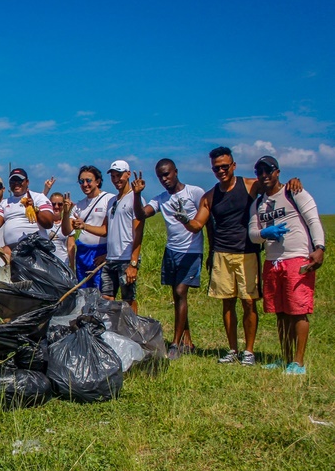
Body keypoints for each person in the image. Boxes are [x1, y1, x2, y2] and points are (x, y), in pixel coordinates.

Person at [181, 146, 301, 365]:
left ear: (233, 165)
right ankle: (232, 349)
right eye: (217, 168)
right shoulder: (210, 196)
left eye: (225, 166)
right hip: (222, 254)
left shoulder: (249, 186)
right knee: (227, 303)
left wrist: (293, 181)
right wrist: (184, 220)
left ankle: (249, 351)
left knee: (248, 302)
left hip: (248, 252)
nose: (221, 171)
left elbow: (272, 185)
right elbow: (197, 224)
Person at [248, 156, 324, 375]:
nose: (264, 176)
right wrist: (265, 233)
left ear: (277, 172)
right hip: (273, 261)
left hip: (297, 258)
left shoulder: (294, 193)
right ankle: (286, 358)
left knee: (298, 310)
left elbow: (313, 221)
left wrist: (319, 248)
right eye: (260, 172)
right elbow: (253, 234)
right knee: (280, 312)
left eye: (268, 171)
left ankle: (298, 362)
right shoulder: (258, 203)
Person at [132, 159, 205, 358]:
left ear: (176, 172)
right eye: (160, 176)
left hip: (191, 250)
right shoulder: (160, 199)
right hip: (171, 250)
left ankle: (174, 344)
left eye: (167, 174)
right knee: (177, 295)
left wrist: (212, 251)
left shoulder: (194, 192)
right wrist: (137, 195)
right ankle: (186, 340)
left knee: (181, 292)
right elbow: (141, 214)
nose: (164, 179)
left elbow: (207, 219)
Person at [76, 161, 144, 311]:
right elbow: (106, 229)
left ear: (128, 174)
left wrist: (133, 263)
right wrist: (84, 226)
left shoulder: (135, 198)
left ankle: (132, 329)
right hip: (111, 259)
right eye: (113, 176)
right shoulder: (113, 200)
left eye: (119, 175)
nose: (116, 180)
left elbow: (139, 231)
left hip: (126, 258)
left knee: (128, 299)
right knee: (106, 298)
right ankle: (112, 329)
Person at [62, 165, 113, 288]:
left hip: (100, 251)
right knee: (84, 291)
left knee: (101, 292)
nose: (85, 184)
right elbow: (66, 231)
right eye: (81, 181)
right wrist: (66, 212)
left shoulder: (109, 199)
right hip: (83, 252)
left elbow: (105, 230)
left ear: (98, 181)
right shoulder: (80, 205)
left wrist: (85, 226)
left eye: (88, 180)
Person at [0, 168, 55, 252]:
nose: (16, 184)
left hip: (35, 246)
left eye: (19, 181)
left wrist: (34, 209)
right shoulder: (4, 203)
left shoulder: (39, 197)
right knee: (0, 254)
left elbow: (48, 223)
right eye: (13, 181)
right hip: (13, 248)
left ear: (27, 182)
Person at [46, 192, 76, 269]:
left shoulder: (68, 223)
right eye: (53, 204)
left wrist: (72, 266)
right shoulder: (44, 224)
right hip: (47, 264)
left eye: (60, 204)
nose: (56, 207)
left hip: (63, 264)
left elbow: (70, 247)